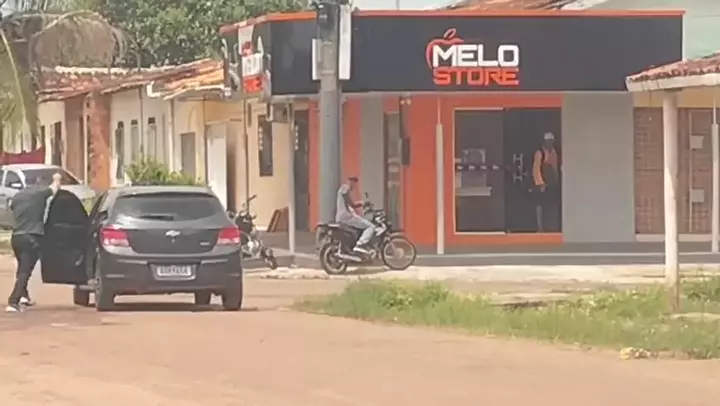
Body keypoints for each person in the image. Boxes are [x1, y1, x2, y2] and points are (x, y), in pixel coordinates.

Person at [5, 172, 62, 313]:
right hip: (32, 236)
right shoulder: (39, 193)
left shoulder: (18, 196)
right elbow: (55, 188)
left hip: (17, 237)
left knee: (22, 268)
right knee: (25, 272)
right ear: (39, 182)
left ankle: (24, 297)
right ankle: (13, 301)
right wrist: (57, 178)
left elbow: (11, 208)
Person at [336, 176, 374, 254]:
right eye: (354, 184)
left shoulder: (345, 190)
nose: (354, 186)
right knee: (371, 226)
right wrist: (361, 203)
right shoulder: (345, 188)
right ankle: (360, 245)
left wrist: (361, 203)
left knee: (360, 224)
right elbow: (351, 203)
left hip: (343, 216)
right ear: (351, 182)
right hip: (346, 216)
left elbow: (351, 205)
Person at [532, 132, 560, 232]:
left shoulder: (553, 153)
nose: (550, 143)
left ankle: (551, 226)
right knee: (540, 205)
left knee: (550, 204)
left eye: (551, 141)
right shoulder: (540, 153)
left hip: (551, 182)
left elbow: (555, 168)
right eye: (548, 141)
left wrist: (556, 180)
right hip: (541, 183)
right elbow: (536, 169)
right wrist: (541, 183)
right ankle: (540, 227)